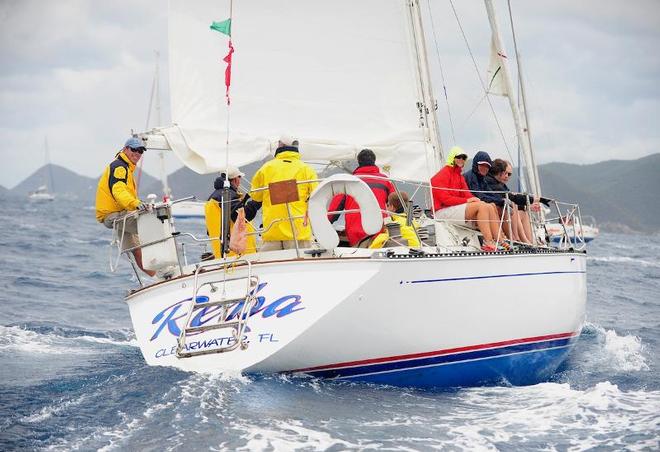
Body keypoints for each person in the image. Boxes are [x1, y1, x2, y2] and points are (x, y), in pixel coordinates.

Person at [95, 137, 154, 276]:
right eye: (134, 149)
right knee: (154, 227)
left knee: (136, 250)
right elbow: (118, 190)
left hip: (115, 215)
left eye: (140, 151)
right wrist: (136, 204)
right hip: (115, 215)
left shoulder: (124, 167)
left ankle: (158, 278)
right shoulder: (120, 167)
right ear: (126, 149)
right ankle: (168, 273)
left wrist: (135, 204)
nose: (137, 154)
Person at [250, 136, 318, 251]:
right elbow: (316, 195)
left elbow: (256, 196)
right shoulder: (307, 169)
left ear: (280, 146)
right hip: (299, 232)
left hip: (272, 231)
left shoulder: (266, 168)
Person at [430, 146, 502, 252]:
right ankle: (488, 242)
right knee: (481, 206)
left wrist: (475, 199)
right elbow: (445, 199)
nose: (461, 159)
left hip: (454, 208)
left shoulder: (459, 176)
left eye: (463, 158)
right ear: (452, 158)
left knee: (489, 205)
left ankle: (499, 240)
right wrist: (467, 201)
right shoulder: (440, 175)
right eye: (458, 157)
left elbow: (467, 194)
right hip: (441, 211)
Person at [327, 149, 395, 247]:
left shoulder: (348, 182)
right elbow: (396, 206)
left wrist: (324, 225)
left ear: (359, 162)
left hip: (356, 236)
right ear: (374, 161)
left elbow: (334, 210)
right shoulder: (385, 181)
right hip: (380, 233)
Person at [486, 159, 548, 244]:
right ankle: (518, 240)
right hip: (497, 211)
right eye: (505, 173)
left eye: (509, 174)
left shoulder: (500, 184)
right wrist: (537, 199)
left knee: (523, 212)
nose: (507, 176)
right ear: (499, 171)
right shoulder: (492, 183)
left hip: (502, 209)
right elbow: (512, 198)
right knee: (513, 205)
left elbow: (510, 198)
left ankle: (529, 242)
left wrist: (526, 207)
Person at [205, 166, 261, 257]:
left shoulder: (213, 198)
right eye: (240, 177)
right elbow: (241, 217)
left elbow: (209, 230)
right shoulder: (228, 195)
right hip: (237, 256)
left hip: (222, 255)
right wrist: (257, 201)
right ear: (235, 179)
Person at [464, 150, 512, 241]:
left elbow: (490, 193)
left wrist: (503, 202)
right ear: (476, 165)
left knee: (494, 205)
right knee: (492, 206)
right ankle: (495, 239)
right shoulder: (471, 177)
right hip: (470, 206)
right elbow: (480, 196)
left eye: (487, 166)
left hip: (477, 204)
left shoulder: (482, 179)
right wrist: (501, 201)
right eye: (481, 165)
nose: (484, 168)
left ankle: (502, 238)